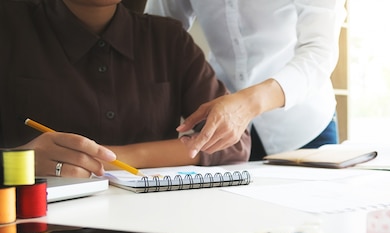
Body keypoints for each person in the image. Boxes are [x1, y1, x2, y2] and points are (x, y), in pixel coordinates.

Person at [0, 0, 250, 178]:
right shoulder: (9, 26)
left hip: (147, 228)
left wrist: (115, 158)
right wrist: (14, 160)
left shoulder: (168, 39)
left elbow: (232, 142)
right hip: (35, 231)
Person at [144, 0, 347, 161]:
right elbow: (158, 35)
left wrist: (247, 104)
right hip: (225, 137)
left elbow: (320, 52)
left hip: (302, 127)